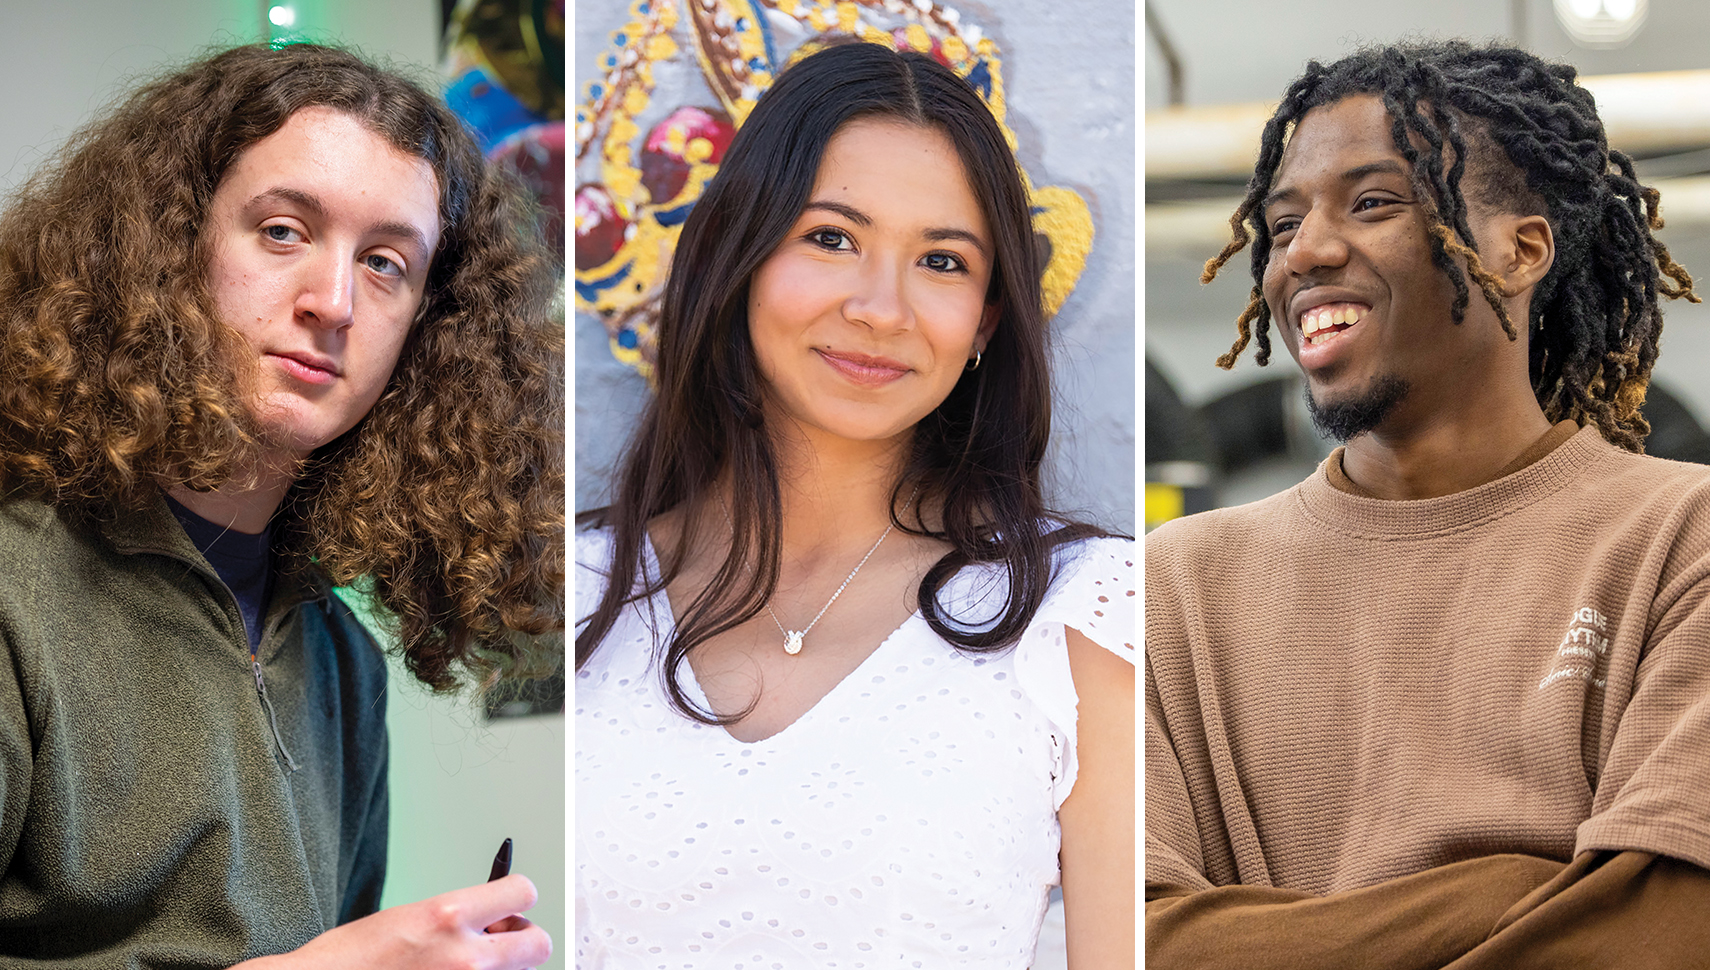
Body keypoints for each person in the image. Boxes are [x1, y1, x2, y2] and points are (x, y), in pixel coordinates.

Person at [1146, 40, 1710, 968]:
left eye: (1372, 204)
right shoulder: (1174, 588)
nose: (1306, 254)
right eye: (1282, 227)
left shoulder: (1679, 541)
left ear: (1523, 249)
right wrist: (1511, 887)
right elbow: (1143, 940)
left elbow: (1664, 925)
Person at [574, 41, 1135, 967]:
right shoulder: (580, 592)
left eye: (943, 262)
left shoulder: (1083, 612)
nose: (882, 307)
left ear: (987, 318)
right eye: (831, 237)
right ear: (738, 257)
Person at [0, 44, 560, 967]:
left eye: (386, 263)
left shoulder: (341, 658)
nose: (334, 302)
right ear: (170, 249)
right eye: (284, 232)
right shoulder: (16, 592)